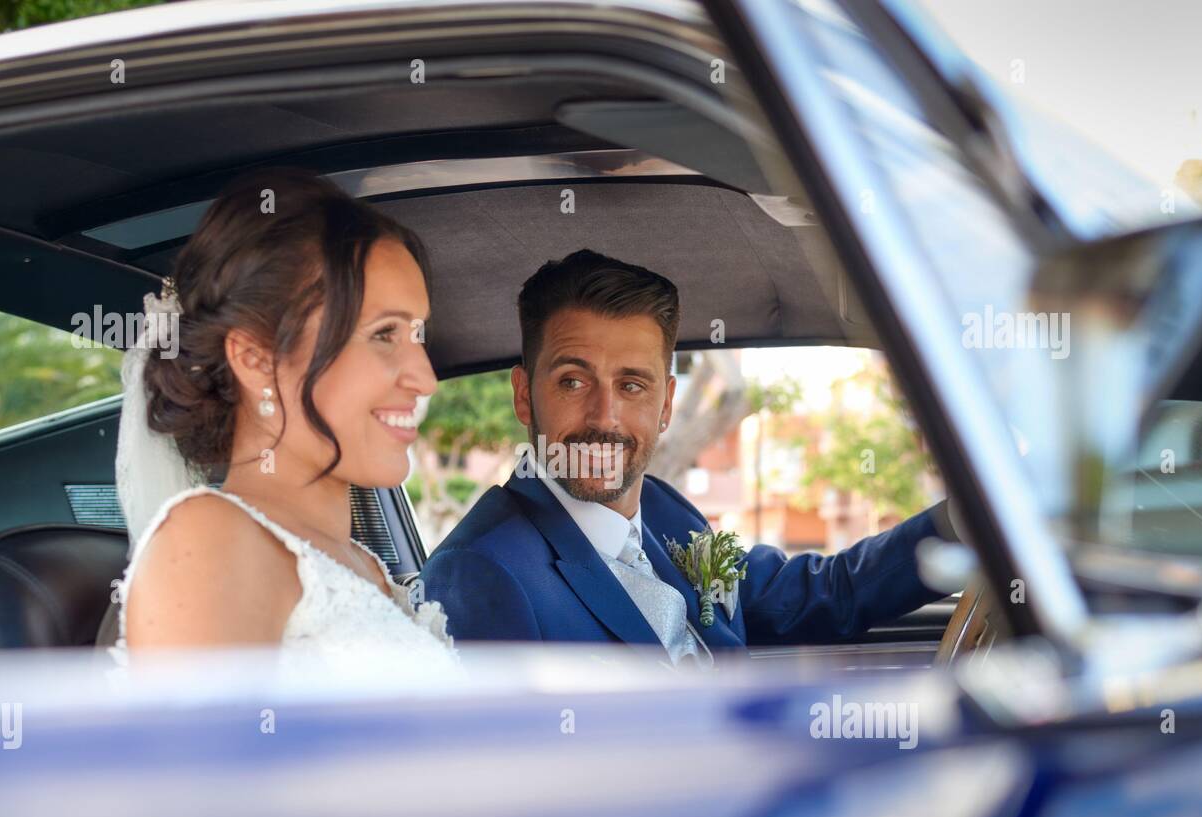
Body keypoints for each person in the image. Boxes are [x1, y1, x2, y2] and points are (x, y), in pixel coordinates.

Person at [420, 249, 956, 667]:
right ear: (523, 395)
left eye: (632, 385)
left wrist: (966, 526)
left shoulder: (665, 511)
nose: (604, 417)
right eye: (573, 380)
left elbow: (821, 595)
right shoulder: (479, 574)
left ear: (667, 406)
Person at [109, 167, 455, 668]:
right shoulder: (210, 541)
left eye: (418, 336)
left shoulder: (365, 565)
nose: (425, 379)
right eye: (384, 334)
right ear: (255, 359)